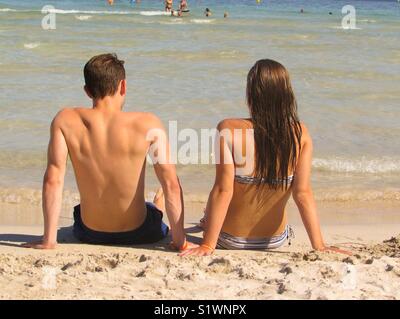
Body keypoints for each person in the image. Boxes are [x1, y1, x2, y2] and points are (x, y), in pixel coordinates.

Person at [23, 54, 194, 252]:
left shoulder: (65, 120)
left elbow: (53, 180)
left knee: (81, 212)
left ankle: (154, 205)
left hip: (89, 232)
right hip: (140, 232)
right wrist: (180, 242)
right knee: (154, 209)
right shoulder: (148, 123)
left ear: (87, 91)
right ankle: (157, 206)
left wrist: (49, 240)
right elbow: (171, 184)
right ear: (123, 86)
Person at [181, 59, 351, 256]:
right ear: (286, 95)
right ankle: (206, 218)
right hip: (274, 241)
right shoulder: (300, 133)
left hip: (229, 239)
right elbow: (303, 193)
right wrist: (320, 246)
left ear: (251, 93)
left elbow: (223, 190)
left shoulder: (228, 129)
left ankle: (206, 220)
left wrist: (208, 245)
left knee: (216, 198)